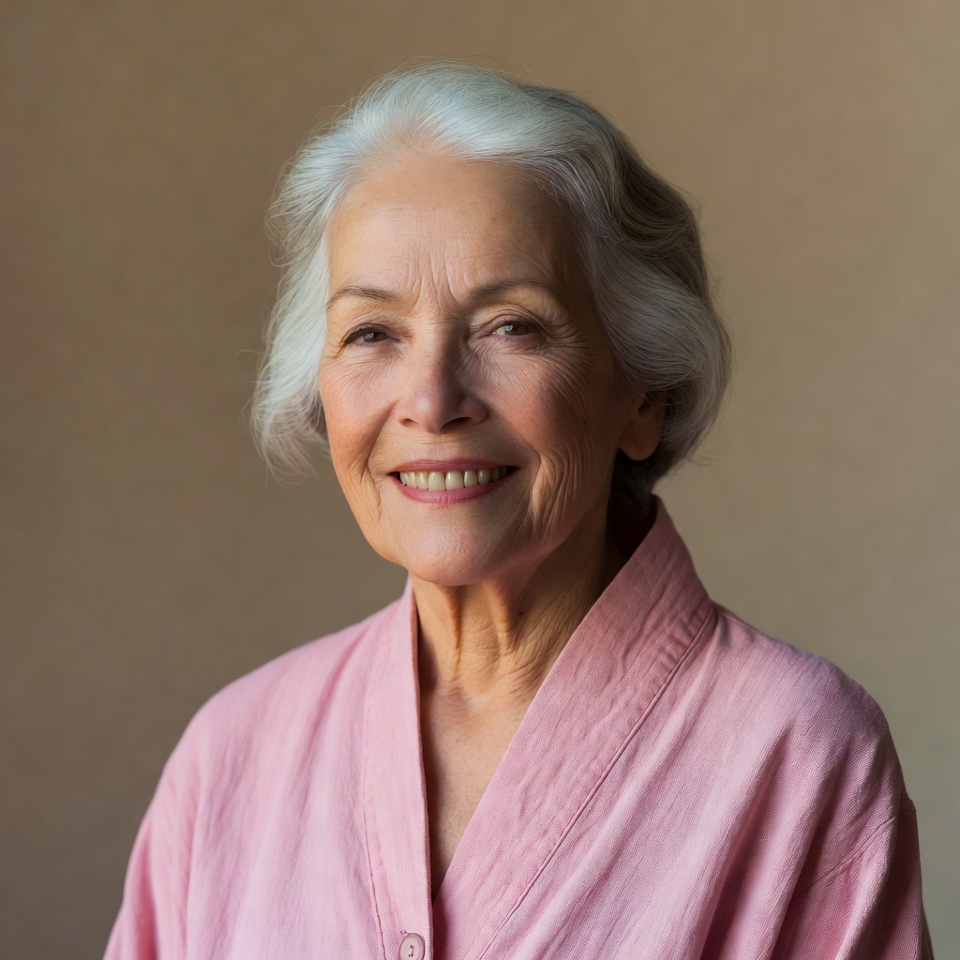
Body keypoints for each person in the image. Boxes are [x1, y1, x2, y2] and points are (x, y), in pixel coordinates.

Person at [105, 62, 932, 959]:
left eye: (512, 326)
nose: (432, 400)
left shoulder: (796, 749)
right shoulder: (232, 752)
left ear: (642, 394)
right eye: (372, 333)